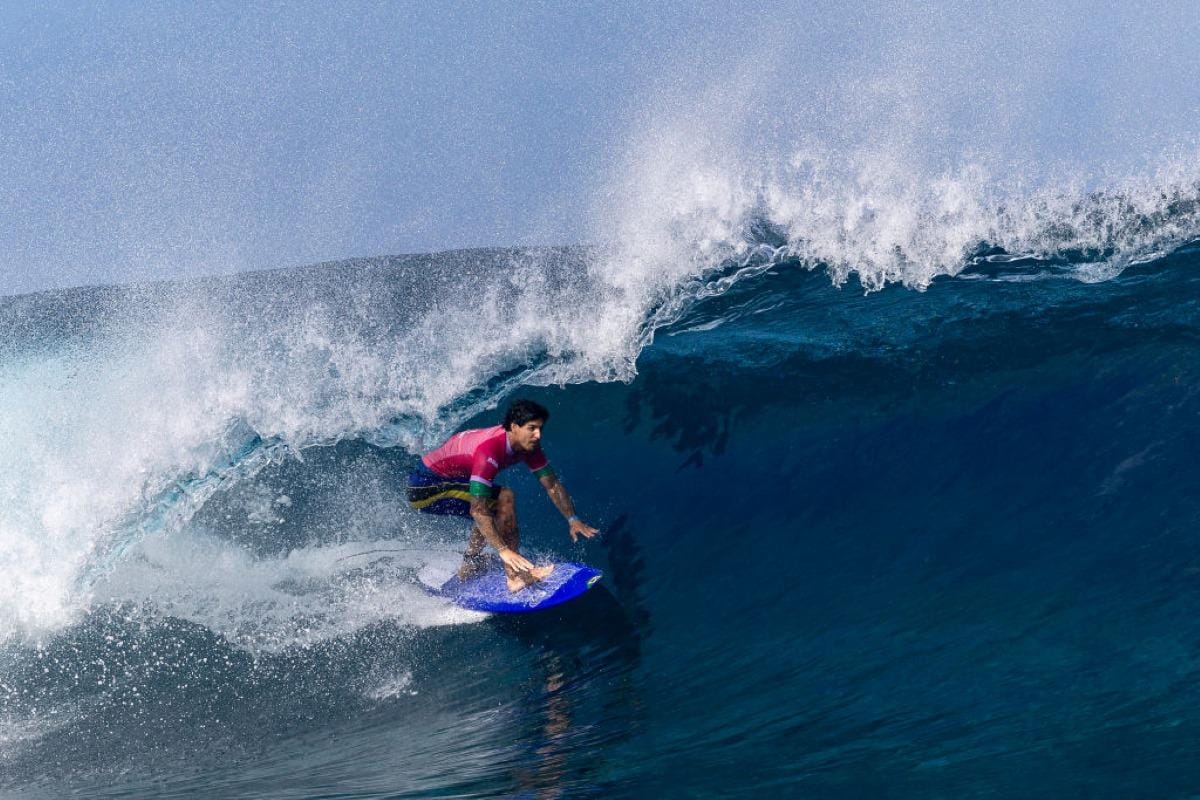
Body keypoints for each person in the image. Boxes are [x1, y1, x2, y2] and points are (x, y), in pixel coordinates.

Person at [407, 399, 598, 592]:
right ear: (514, 427)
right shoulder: (489, 450)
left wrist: (572, 518)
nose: (538, 435)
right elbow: (478, 510)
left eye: (540, 428)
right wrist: (503, 550)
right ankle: (515, 577)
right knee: (502, 498)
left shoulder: (527, 446)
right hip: (426, 488)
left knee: (490, 504)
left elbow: (552, 485)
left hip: (447, 482)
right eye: (532, 428)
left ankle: (469, 565)